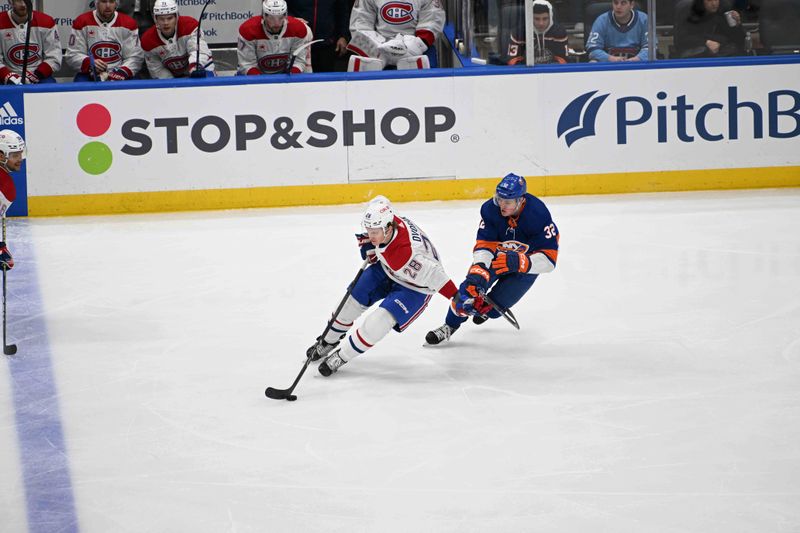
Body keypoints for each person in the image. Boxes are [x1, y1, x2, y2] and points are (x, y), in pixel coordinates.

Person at [307, 196, 458, 376]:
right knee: (349, 302)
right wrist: (369, 243)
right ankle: (328, 341)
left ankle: (343, 356)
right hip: (387, 269)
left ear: (387, 229)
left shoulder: (406, 254)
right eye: (368, 230)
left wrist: (458, 298)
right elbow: (379, 199)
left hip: (415, 287)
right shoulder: (385, 217)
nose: (371, 236)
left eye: (374, 233)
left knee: (378, 322)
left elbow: (435, 276)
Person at [426, 173, 559, 345]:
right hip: (496, 259)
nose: (501, 205)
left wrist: (521, 262)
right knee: (468, 291)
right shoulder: (490, 209)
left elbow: (549, 260)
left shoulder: (538, 215)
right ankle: (449, 326)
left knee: (495, 309)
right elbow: (485, 243)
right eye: (499, 199)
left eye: (508, 202)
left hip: (526, 266)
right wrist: (480, 268)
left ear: (520, 200)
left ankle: (486, 313)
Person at [346, 0, 445, 71]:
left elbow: (432, 23)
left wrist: (411, 49)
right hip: (379, 52)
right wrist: (379, 50)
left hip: (416, 51)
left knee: (423, 89)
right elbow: (360, 25)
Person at [65, 0, 144, 82]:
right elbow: (73, 54)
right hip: (89, 74)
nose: (108, 5)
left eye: (112, 2)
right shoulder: (82, 21)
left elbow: (135, 57)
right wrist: (89, 63)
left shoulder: (128, 23)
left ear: (116, 4)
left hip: (120, 73)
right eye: (103, 1)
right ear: (96, 3)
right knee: (80, 85)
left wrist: (123, 71)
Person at [141, 0, 215, 78]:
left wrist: (195, 66)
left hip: (201, 67)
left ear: (176, 17)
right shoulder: (148, 40)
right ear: (155, 19)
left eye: (169, 18)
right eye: (161, 19)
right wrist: (171, 84)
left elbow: (198, 50)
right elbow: (156, 69)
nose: (166, 23)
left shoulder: (190, 26)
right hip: (173, 74)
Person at [238, 0, 315, 75]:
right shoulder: (248, 30)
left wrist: (290, 77)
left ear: (286, 15)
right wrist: (261, 82)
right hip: (256, 78)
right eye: (272, 18)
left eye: (280, 18)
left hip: (285, 77)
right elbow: (247, 64)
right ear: (264, 16)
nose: (277, 24)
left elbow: (298, 61)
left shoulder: (299, 29)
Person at [0, 0, 62, 84]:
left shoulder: (46, 22)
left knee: (50, 91)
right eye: (18, 0)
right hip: (8, 75)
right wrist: (8, 76)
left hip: (39, 75)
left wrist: (36, 75)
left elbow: (54, 56)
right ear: (10, 1)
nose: (23, 4)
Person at [496, 0, 569, 65]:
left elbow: (563, 60)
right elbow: (511, 61)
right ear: (530, 17)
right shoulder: (519, 33)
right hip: (526, 73)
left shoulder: (559, 32)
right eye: (537, 19)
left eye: (545, 19)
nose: (541, 23)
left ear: (551, 17)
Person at [287, 0, 351, 72]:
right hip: (300, 43)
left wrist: (343, 36)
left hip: (326, 43)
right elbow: (284, 8)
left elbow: (343, 12)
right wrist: (293, 20)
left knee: (326, 79)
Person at [673, 0, 745, 58]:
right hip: (695, 52)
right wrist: (706, 42)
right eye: (709, 0)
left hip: (721, 53)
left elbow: (738, 40)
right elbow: (680, 39)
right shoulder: (688, 10)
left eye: (716, 0)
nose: (714, 3)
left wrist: (737, 25)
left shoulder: (724, 9)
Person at [0, 129, 23, 272]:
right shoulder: (6, 187)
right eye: (15, 155)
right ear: (1, 156)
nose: (20, 159)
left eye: (20, 154)